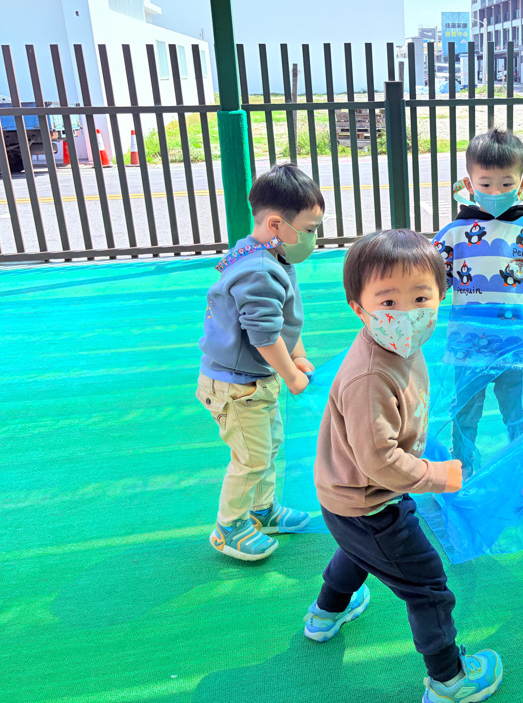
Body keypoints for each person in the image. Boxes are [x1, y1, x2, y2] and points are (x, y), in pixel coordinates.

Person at [307, 229, 503, 703]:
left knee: (359, 552)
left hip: (349, 498)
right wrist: (436, 476)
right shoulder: (371, 374)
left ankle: (326, 612)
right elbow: (379, 460)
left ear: (441, 296)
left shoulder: (399, 345)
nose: (407, 313)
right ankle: (449, 680)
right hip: (371, 501)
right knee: (427, 586)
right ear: (359, 308)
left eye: (420, 298)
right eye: (388, 301)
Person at [432, 128, 523, 489]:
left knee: (518, 413)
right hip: (469, 343)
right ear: (469, 184)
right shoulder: (454, 233)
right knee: (464, 411)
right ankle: (460, 471)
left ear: (520, 184)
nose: (495, 192)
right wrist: (423, 297)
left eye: (505, 183)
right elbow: (430, 274)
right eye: (486, 183)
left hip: (516, 342)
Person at [197, 164, 323, 561]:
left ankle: (261, 510)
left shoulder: (263, 252)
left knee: (268, 446)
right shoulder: (260, 270)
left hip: (253, 380)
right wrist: (292, 375)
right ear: (276, 225)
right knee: (251, 457)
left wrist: (297, 354)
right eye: (309, 229)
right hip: (236, 387)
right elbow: (264, 335)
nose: (314, 238)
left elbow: (280, 321)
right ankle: (229, 526)